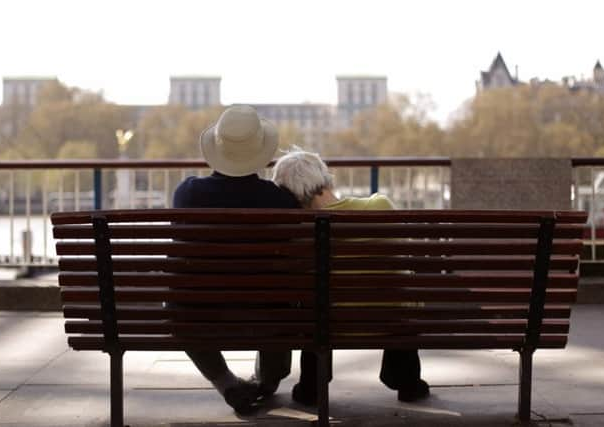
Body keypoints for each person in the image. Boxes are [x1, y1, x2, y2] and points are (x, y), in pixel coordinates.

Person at [272, 147, 430, 405]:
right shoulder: (379, 206)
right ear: (326, 179)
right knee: (399, 294)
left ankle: (312, 386)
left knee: (314, 303)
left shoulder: (297, 230)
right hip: (389, 321)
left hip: (327, 323)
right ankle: (407, 381)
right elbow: (405, 264)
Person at [173, 105, 300, 414]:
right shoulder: (281, 200)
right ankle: (267, 381)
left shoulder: (188, 194)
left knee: (178, 306)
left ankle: (226, 381)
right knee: (285, 299)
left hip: (203, 314)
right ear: (260, 152)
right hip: (269, 316)